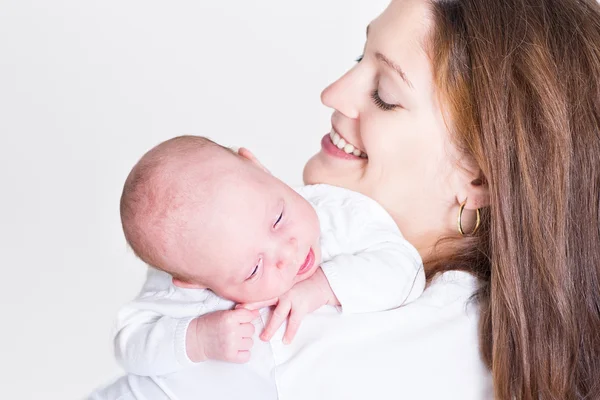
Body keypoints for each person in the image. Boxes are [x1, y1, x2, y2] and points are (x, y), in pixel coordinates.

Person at [91, 0, 600, 398]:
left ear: (480, 177)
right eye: (360, 58)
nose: (333, 93)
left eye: (384, 94)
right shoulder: (277, 231)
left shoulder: (360, 346)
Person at [114, 135, 423, 373]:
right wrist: (197, 338)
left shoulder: (337, 214)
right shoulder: (183, 291)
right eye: (253, 269)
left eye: (277, 219)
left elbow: (405, 269)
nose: (287, 250)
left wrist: (323, 285)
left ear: (258, 166)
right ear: (194, 283)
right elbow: (129, 345)